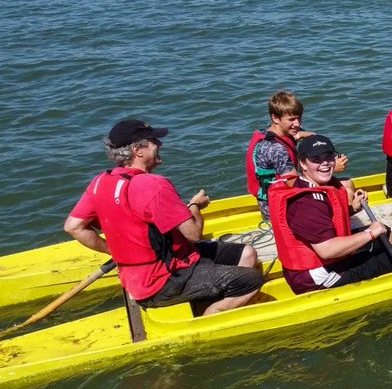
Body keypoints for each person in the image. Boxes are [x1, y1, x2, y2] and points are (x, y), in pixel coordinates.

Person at [64, 119, 263, 316]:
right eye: (153, 141)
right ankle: (208, 317)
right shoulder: (154, 185)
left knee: (247, 253)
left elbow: (74, 227)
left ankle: (213, 294)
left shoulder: (100, 182)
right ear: (138, 151)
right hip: (163, 281)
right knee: (252, 280)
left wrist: (114, 252)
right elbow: (194, 234)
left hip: (139, 278)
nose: (160, 144)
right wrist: (195, 206)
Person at [269, 135, 392, 295]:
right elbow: (328, 250)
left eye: (329, 156)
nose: (325, 163)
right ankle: (389, 286)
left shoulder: (310, 184)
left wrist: (353, 207)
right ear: (303, 163)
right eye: (316, 159)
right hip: (313, 277)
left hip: (324, 260)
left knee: (385, 233)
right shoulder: (306, 204)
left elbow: (325, 219)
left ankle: (386, 274)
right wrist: (370, 233)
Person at [246, 90, 348, 221]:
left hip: (267, 201)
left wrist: (298, 136)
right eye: (291, 119)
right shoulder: (277, 150)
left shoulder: (267, 133)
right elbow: (296, 185)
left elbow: (286, 142)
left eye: (299, 117)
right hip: (279, 209)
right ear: (275, 118)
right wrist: (331, 168)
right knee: (346, 188)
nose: (298, 124)